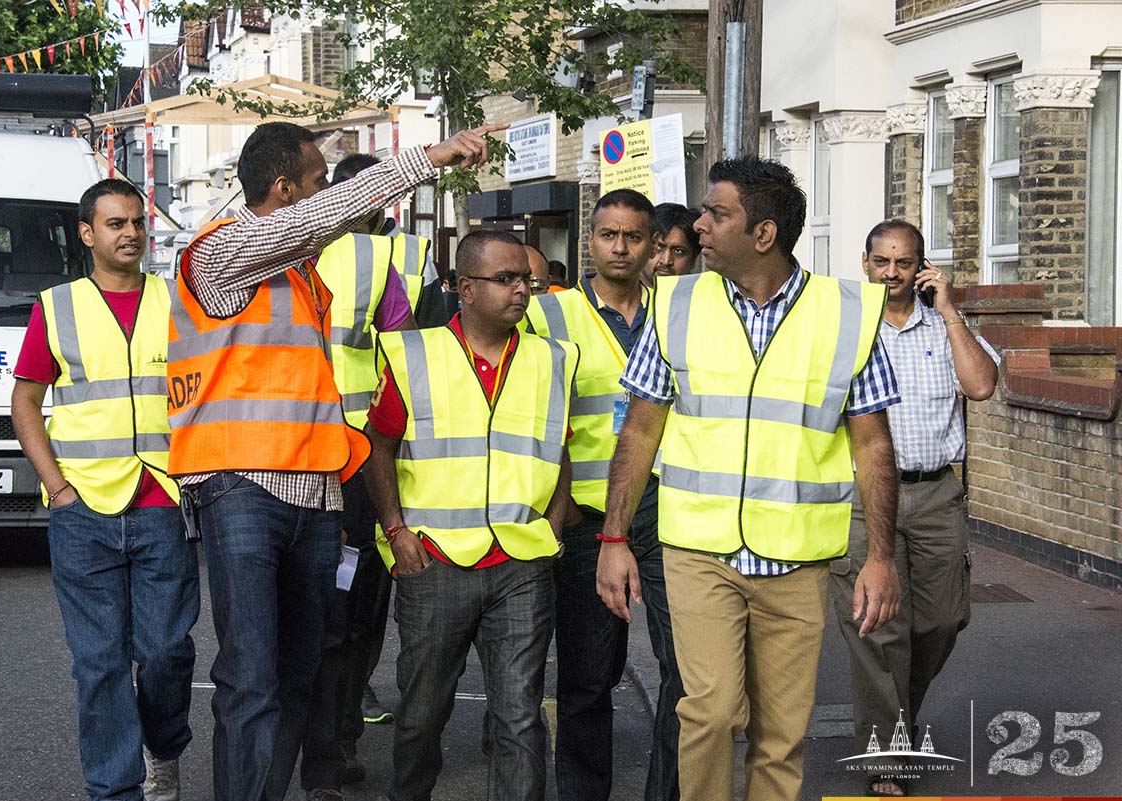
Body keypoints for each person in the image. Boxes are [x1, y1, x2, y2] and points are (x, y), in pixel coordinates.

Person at [164, 120, 501, 801]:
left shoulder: (300, 274)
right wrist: (425, 158)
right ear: (284, 189)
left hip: (315, 495)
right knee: (250, 676)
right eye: (317, 181)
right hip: (243, 490)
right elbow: (326, 214)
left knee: (297, 676)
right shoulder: (220, 255)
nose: (331, 197)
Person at [599, 157, 903, 801]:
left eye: (717, 213)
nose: (698, 226)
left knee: (780, 733)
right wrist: (615, 539)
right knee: (708, 712)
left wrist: (881, 556)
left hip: (798, 559)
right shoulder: (676, 303)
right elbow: (640, 431)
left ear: (762, 234)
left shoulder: (848, 314)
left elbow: (874, 444)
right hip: (698, 552)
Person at [363, 230, 576, 801]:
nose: (522, 291)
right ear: (464, 288)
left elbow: (562, 447)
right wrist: (396, 532)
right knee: (422, 713)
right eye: (505, 279)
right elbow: (377, 447)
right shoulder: (413, 355)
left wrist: (554, 528)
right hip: (433, 560)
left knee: (520, 717)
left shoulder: (553, 358)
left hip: (522, 561)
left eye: (526, 280)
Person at [11, 179, 198, 801]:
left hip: (163, 502)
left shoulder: (178, 301)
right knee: (100, 665)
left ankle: (163, 747)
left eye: (138, 222)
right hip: (83, 507)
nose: (131, 234)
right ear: (88, 234)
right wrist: (56, 487)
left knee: (168, 652)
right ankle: (114, 791)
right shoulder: (58, 305)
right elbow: (26, 401)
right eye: (116, 223)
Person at [525, 188, 683, 801]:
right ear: (590, 240)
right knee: (588, 679)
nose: (620, 247)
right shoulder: (550, 314)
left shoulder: (678, 309)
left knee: (688, 677)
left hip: (672, 509)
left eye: (634, 236)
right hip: (589, 517)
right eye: (607, 235)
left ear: (654, 246)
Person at [831, 219, 998, 797]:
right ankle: (887, 758)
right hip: (862, 496)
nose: (894, 273)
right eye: (883, 262)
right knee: (877, 628)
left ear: (923, 267)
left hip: (934, 494)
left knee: (942, 618)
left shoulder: (946, 327)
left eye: (905, 263)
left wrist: (949, 309)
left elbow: (981, 386)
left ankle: (899, 710)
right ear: (866, 263)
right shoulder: (845, 330)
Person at [281, 153, 417, 801]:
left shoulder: (284, 254)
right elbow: (407, 362)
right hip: (345, 462)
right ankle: (329, 747)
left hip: (311, 460)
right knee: (349, 610)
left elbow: (404, 360)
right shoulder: (370, 261)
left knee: (327, 609)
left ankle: (323, 750)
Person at [331, 152, 448, 328]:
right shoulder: (318, 248)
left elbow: (432, 333)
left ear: (382, 200)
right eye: (347, 199)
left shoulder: (414, 253)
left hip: (397, 355)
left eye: (361, 200)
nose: (354, 210)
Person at [640, 203, 701, 287]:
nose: (666, 261)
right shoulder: (619, 296)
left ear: (693, 259)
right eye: (658, 247)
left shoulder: (704, 298)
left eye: (678, 251)